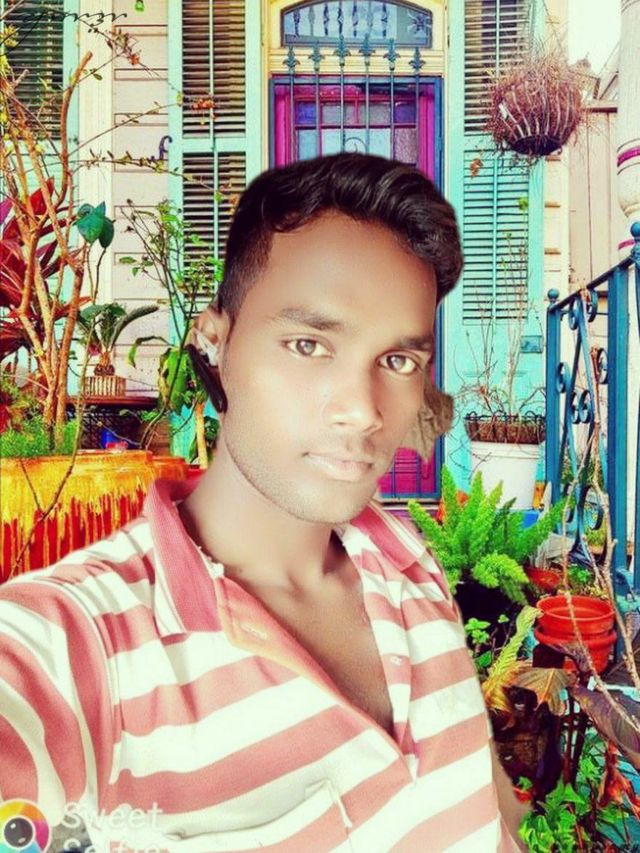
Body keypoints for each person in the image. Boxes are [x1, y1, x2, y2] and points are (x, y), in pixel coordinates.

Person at [0, 152, 529, 852]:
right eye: (308, 344)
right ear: (215, 342)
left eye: (399, 360)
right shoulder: (83, 646)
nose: (363, 410)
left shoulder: (407, 559)